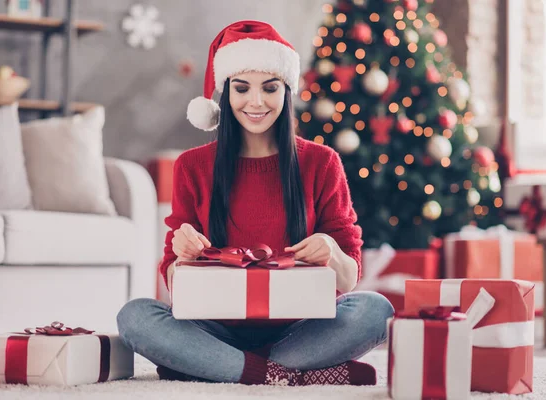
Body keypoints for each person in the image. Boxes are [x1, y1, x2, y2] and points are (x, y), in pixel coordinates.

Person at [117, 20, 394, 387]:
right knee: (134, 317)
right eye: (242, 88)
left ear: (286, 90)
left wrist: (331, 250)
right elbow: (172, 280)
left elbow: (349, 276)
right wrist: (182, 258)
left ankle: (216, 367)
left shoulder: (322, 162)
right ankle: (282, 374)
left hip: (300, 328)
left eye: (270, 88)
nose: (256, 102)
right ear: (225, 94)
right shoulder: (193, 166)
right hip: (214, 327)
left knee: (376, 311)